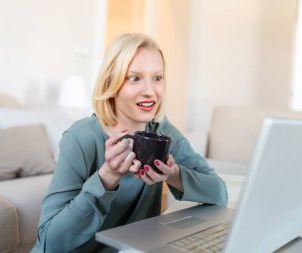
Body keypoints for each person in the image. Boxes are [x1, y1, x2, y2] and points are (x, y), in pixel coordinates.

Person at [31, 33, 228, 253]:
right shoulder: (81, 137)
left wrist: (173, 174)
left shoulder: (162, 132)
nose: (150, 91)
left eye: (157, 78)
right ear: (110, 83)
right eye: (134, 78)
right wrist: (107, 177)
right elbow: (51, 243)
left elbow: (219, 193)